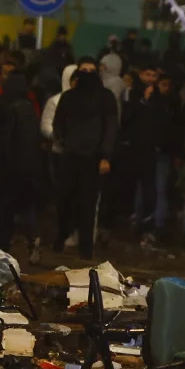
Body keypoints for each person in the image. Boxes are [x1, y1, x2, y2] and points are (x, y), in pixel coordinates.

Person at [52, 59, 119, 260]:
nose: (88, 74)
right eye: (84, 70)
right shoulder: (70, 97)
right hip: (73, 156)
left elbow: (110, 128)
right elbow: (59, 124)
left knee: (87, 204)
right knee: (67, 200)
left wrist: (105, 155)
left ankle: (85, 245)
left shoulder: (105, 97)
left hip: (91, 158)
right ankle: (65, 238)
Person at [0, 71, 45, 262]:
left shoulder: (8, 107)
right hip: (30, 166)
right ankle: (32, 241)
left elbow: (4, 139)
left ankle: (3, 249)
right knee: (26, 207)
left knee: (4, 209)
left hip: (10, 167)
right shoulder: (29, 107)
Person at [127, 63, 174, 243]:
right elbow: (129, 118)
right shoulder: (135, 95)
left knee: (156, 188)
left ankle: (152, 225)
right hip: (140, 150)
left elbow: (166, 124)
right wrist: (143, 102)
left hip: (157, 151)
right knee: (142, 187)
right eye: (147, 75)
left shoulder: (163, 100)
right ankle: (139, 221)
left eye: (154, 76)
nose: (150, 79)